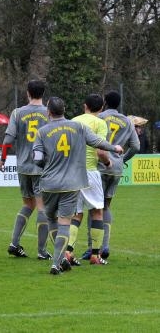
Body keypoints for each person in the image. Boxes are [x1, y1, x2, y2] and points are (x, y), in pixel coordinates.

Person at [32, 96, 123, 275]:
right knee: (66, 221)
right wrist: (115, 148)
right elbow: (98, 142)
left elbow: (37, 159)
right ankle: (57, 262)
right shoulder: (79, 127)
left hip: (49, 183)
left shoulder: (42, 132)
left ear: (48, 112)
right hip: (73, 183)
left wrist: (47, 166)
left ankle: (58, 260)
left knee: (52, 219)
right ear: (64, 110)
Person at [79, 91, 140, 260]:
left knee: (94, 208)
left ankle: (94, 248)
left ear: (104, 102)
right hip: (115, 168)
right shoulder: (127, 121)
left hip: (98, 165)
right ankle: (105, 246)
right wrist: (122, 158)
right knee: (106, 206)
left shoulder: (99, 117)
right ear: (119, 104)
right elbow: (135, 146)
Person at [0, 80, 51, 260]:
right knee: (42, 207)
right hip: (42, 167)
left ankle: (14, 243)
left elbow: (7, 141)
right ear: (43, 93)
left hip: (23, 166)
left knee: (28, 204)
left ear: (28, 93)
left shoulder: (17, 113)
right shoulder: (49, 113)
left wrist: (2, 159)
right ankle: (42, 251)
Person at [67, 94, 112, 266]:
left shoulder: (73, 120)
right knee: (97, 212)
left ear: (84, 105)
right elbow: (101, 151)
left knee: (76, 213)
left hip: (73, 172)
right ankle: (95, 255)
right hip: (91, 171)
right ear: (101, 109)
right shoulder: (100, 123)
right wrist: (108, 163)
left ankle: (68, 252)